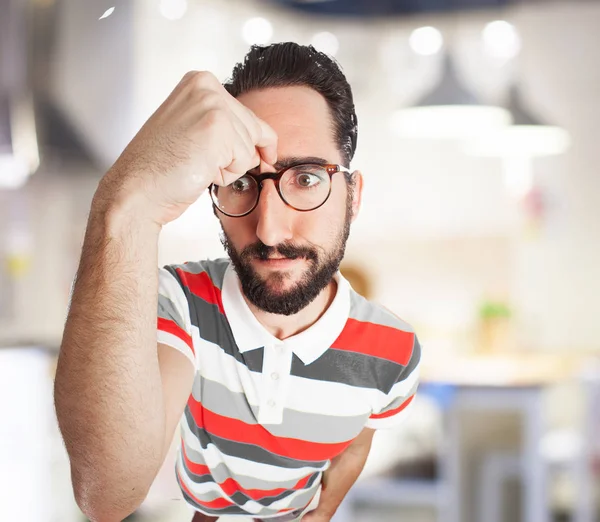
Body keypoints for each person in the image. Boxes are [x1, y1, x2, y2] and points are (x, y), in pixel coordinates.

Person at [54, 42, 421, 522]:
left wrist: (325, 507)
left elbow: (354, 447)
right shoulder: (178, 303)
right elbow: (107, 495)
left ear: (352, 197)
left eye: (307, 179)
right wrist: (126, 204)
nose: (268, 230)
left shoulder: (393, 353)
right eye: (242, 182)